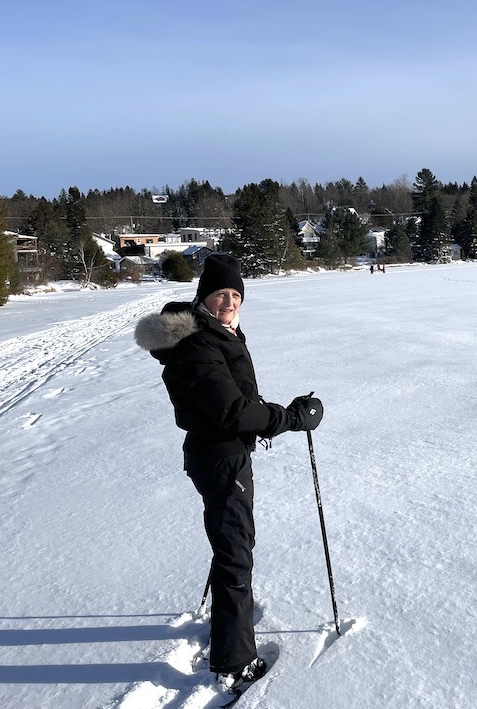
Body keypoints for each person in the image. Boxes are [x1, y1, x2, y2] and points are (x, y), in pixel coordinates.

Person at [134, 254, 324, 692]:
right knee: (236, 553)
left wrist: (273, 415)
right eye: (221, 293)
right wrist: (291, 417)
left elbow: (238, 398)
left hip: (221, 455)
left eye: (236, 294)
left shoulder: (217, 333)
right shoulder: (199, 345)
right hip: (220, 457)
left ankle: (227, 633)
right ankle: (234, 661)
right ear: (204, 297)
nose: (230, 301)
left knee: (229, 541)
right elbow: (231, 410)